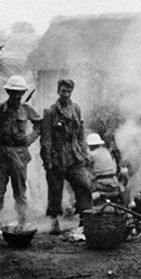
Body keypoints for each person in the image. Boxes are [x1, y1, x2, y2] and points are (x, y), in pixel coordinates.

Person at [0, 75, 42, 240]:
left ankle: (22, 224)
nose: (16, 96)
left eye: (19, 93)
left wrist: (30, 138)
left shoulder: (26, 109)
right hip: (1, 157)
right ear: (8, 91)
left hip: (19, 157)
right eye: (13, 92)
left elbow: (40, 125)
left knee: (20, 193)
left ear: (22, 93)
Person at [41, 79, 92, 234]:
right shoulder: (50, 112)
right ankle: (54, 221)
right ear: (58, 91)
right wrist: (48, 160)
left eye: (69, 91)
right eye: (63, 91)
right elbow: (46, 139)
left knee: (84, 185)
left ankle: (85, 218)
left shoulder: (76, 109)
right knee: (55, 190)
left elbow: (81, 134)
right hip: (57, 157)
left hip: (74, 156)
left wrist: (85, 152)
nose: (66, 94)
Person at [86, 132, 125, 205]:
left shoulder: (92, 155)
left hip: (102, 184)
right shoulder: (106, 151)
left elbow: (86, 167)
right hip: (114, 182)